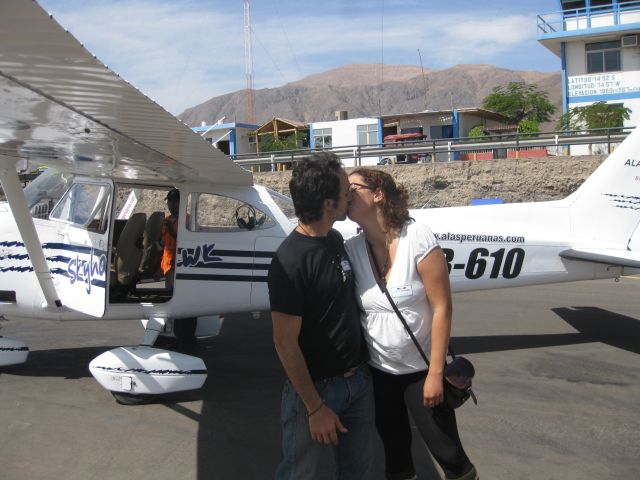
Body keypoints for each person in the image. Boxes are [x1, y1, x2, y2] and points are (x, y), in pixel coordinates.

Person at [345, 168, 478, 480]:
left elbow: (442, 307)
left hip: (421, 370)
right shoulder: (351, 249)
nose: (347, 193)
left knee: (448, 452)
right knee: (396, 454)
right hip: (379, 373)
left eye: (353, 187)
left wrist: (435, 374)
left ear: (378, 194)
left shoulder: (417, 237)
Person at [268, 153, 374, 480]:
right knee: (301, 474)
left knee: (357, 472)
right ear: (329, 204)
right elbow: (285, 343)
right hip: (315, 392)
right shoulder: (290, 262)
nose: (350, 198)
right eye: (345, 193)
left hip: (358, 382)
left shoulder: (335, 239)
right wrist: (314, 407)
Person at [160, 188, 196, 352]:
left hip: (181, 267)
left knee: (183, 304)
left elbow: (186, 242)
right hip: (169, 267)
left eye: (175, 201)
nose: (171, 204)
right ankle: (179, 337)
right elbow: (162, 244)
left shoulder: (187, 220)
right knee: (173, 305)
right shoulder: (166, 221)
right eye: (170, 201)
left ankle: (187, 339)